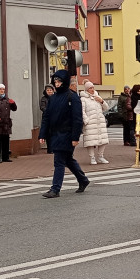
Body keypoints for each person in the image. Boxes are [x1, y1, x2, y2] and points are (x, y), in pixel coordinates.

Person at [38, 70, 89, 198]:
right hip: (55, 134)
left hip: (67, 134)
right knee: (68, 160)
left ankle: (55, 189)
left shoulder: (72, 97)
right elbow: (47, 117)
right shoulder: (53, 98)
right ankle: (83, 180)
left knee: (59, 161)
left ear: (64, 82)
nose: (57, 83)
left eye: (59, 81)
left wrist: (75, 137)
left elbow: (77, 119)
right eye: (55, 81)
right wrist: (42, 134)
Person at [80, 81, 110, 164]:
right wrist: (86, 120)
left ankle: (101, 156)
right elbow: (82, 111)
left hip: (100, 121)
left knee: (103, 140)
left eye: (93, 87)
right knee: (90, 141)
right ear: (86, 89)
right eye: (90, 88)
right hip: (90, 123)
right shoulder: (83, 99)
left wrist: (102, 101)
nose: (92, 89)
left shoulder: (97, 97)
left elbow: (106, 108)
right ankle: (92, 157)